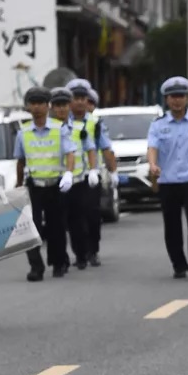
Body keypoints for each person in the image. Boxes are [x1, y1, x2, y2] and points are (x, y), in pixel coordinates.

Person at [147, 76, 188, 279]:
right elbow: (152, 148)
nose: (177, 100)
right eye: (172, 97)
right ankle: (178, 264)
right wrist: (152, 165)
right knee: (172, 225)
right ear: (166, 99)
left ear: (187, 98)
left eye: (181, 96)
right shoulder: (158, 125)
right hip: (168, 181)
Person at [14, 86, 77, 282]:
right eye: (33, 103)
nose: (37, 107)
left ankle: (58, 263)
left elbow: (70, 153)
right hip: (34, 186)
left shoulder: (59, 128)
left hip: (55, 185)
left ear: (47, 105)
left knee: (56, 227)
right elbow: (20, 160)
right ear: (28, 107)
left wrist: (68, 173)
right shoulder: (23, 132)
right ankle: (36, 267)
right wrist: (18, 184)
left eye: (41, 103)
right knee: (30, 229)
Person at [68, 78, 116, 267]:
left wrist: (113, 172)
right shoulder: (62, 122)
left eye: (83, 98)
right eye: (75, 98)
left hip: (91, 176)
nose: (80, 102)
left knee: (92, 215)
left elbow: (106, 148)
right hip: (70, 176)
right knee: (73, 217)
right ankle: (79, 253)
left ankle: (92, 250)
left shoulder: (95, 122)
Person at [49, 87, 96, 270]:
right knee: (57, 224)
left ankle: (81, 255)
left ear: (69, 106)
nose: (61, 109)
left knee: (77, 222)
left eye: (64, 105)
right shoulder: (48, 129)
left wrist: (93, 170)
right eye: (57, 106)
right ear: (52, 107)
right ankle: (61, 260)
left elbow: (90, 149)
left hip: (76, 182)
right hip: (55, 182)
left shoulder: (79, 127)